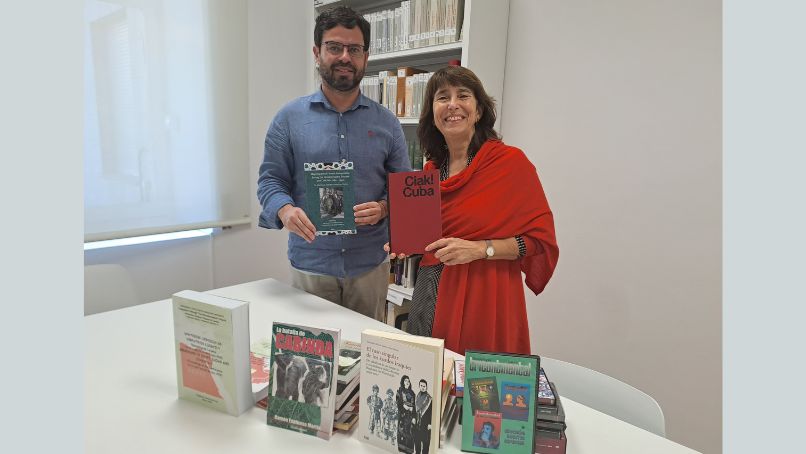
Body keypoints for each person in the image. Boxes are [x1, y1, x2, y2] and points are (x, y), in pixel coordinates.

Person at [387, 65, 559, 355]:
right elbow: (430, 240)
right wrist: (405, 244)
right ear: (433, 112)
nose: (452, 104)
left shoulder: (510, 165)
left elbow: (539, 242)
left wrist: (481, 249)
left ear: (478, 111)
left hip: (487, 297)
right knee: (429, 385)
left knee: (476, 391)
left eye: (463, 95)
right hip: (430, 293)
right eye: (442, 97)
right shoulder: (431, 172)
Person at [257, 6, 412, 322]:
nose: (345, 57)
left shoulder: (387, 124)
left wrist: (384, 207)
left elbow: (405, 189)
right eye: (334, 47)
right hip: (311, 263)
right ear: (317, 53)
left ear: (365, 57)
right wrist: (285, 210)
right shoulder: (288, 119)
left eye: (354, 49)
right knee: (312, 363)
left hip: (370, 265)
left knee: (367, 359)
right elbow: (270, 181)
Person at [396, 375, 416, 454]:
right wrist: (404, 406)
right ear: (402, 382)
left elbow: (415, 405)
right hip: (402, 415)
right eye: (405, 381)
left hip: (410, 415)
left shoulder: (412, 393)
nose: (407, 382)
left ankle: (409, 450)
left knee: (410, 431)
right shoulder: (400, 391)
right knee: (401, 430)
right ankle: (401, 448)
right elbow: (398, 402)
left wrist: (412, 410)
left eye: (408, 381)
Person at [413, 379, 433, 454]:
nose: (422, 387)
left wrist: (430, 423)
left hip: (426, 424)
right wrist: (414, 418)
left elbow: (431, 412)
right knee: (417, 441)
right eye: (421, 386)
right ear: (419, 386)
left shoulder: (429, 399)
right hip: (417, 423)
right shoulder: (417, 397)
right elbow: (414, 410)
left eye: (424, 386)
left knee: (425, 443)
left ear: (426, 387)